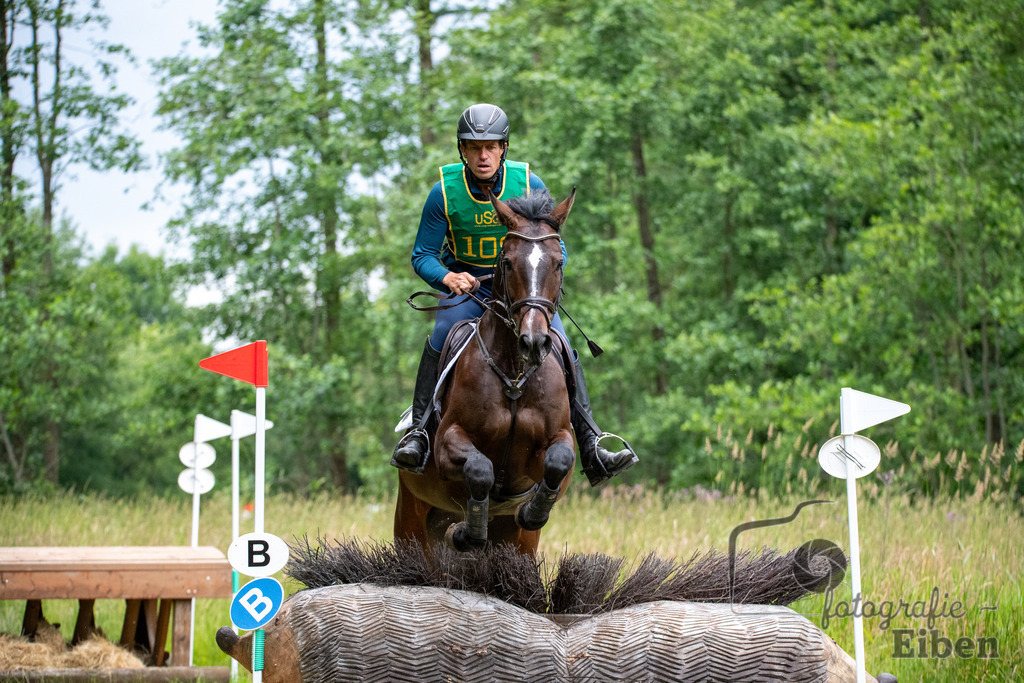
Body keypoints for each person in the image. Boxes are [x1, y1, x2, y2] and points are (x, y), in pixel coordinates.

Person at [391, 103, 637, 486]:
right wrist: (448, 277)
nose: (482, 155)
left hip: (523, 291)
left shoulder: (529, 183)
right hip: (470, 290)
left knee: (565, 345)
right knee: (441, 336)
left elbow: (557, 247)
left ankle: (591, 443)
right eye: (474, 148)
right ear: (462, 150)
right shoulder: (443, 192)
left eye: (490, 146)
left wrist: (538, 279)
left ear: (504, 147)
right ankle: (421, 433)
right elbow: (422, 254)